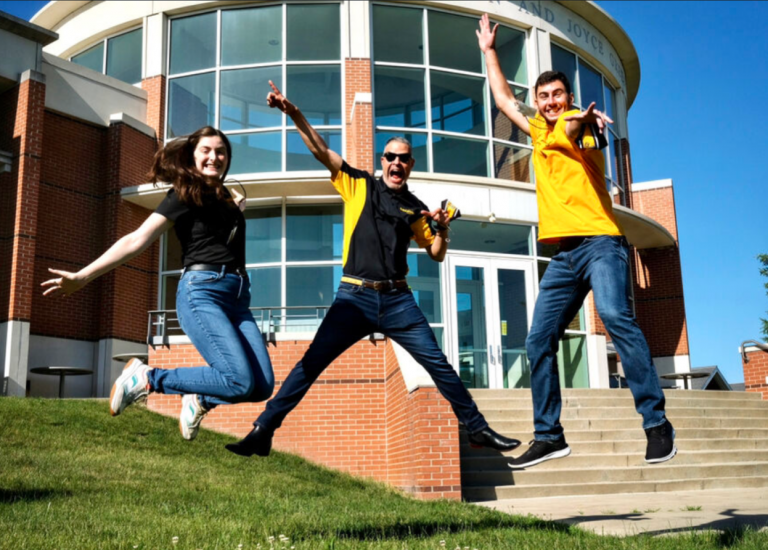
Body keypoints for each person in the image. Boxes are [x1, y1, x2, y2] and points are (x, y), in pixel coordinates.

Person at [225, 82, 520, 458]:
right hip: (354, 297)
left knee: (438, 363)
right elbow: (321, 150)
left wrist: (443, 228)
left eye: (404, 158)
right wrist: (293, 112)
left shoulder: (416, 206)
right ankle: (263, 430)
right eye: (390, 156)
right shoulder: (359, 184)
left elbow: (435, 252)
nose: (397, 162)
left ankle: (477, 429)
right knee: (310, 364)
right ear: (383, 161)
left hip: (399, 301)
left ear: (411, 165)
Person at [476, 14, 676, 468]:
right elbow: (505, 98)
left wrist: (588, 122)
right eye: (543, 97)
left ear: (568, 98)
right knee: (537, 340)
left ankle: (656, 423)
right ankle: (549, 435)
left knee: (613, 316)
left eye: (557, 95)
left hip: (601, 244)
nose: (549, 103)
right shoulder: (539, 131)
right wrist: (489, 50)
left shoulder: (572, 125)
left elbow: (582, 132)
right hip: (564, 256)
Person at [41, 126, 274, 441]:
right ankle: (147, 378)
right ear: (192, 156)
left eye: (221, 151)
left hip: (238, 298)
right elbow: (136, 239)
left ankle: (200, 398)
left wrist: (236, 211)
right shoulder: (183, 193)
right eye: (206, 150)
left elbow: (218, 237)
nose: (214, 157)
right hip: (202, 292)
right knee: (239, 380)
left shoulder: (226, 199)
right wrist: (83, 276)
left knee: (262, 385)